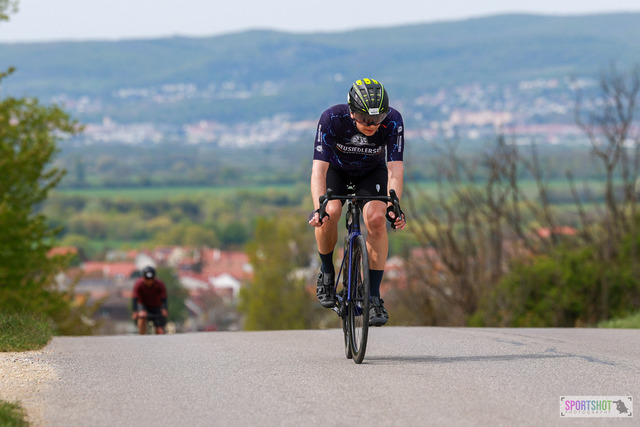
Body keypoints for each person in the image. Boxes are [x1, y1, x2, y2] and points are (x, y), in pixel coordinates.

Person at [308, 77, 406, 326]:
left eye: (378, 118)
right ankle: (327, 273)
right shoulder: (332, 118)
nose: (372, 125)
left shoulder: (393, 120)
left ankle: (373, 297)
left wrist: (394, 205)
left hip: (371, 173)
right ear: (352, 112)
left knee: (376, 219)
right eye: (365, 119)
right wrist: (319, 208)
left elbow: (395, 168)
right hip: (337, 172)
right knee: (330, 212)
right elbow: (319, 169)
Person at [132, 266, 168, 335]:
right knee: (142, 317)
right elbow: (135, 298)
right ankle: (142, 335)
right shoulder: (139, 284)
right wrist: (135, 311)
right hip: (143, 305)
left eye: (151, 280)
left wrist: (164, 308)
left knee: (160, 330)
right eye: (147, 280)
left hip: (156, 306)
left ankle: (159, 339)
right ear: (143, 278)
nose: (149, 282)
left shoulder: (160, 284)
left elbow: (164, 298)